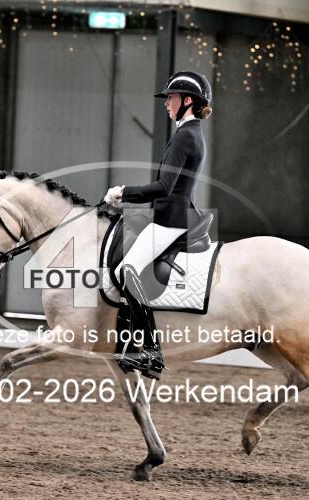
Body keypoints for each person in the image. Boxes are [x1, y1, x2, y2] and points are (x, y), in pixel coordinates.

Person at [104, 70, 212, 378]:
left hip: (171, 220)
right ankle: (129, 343)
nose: (166, 103)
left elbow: (164, 187)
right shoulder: (189, 133)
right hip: (170, 215)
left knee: (128, 270)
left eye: (171, 98)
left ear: (187, 101)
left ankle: (151, 352)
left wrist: (124, 192)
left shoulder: (185, 136)